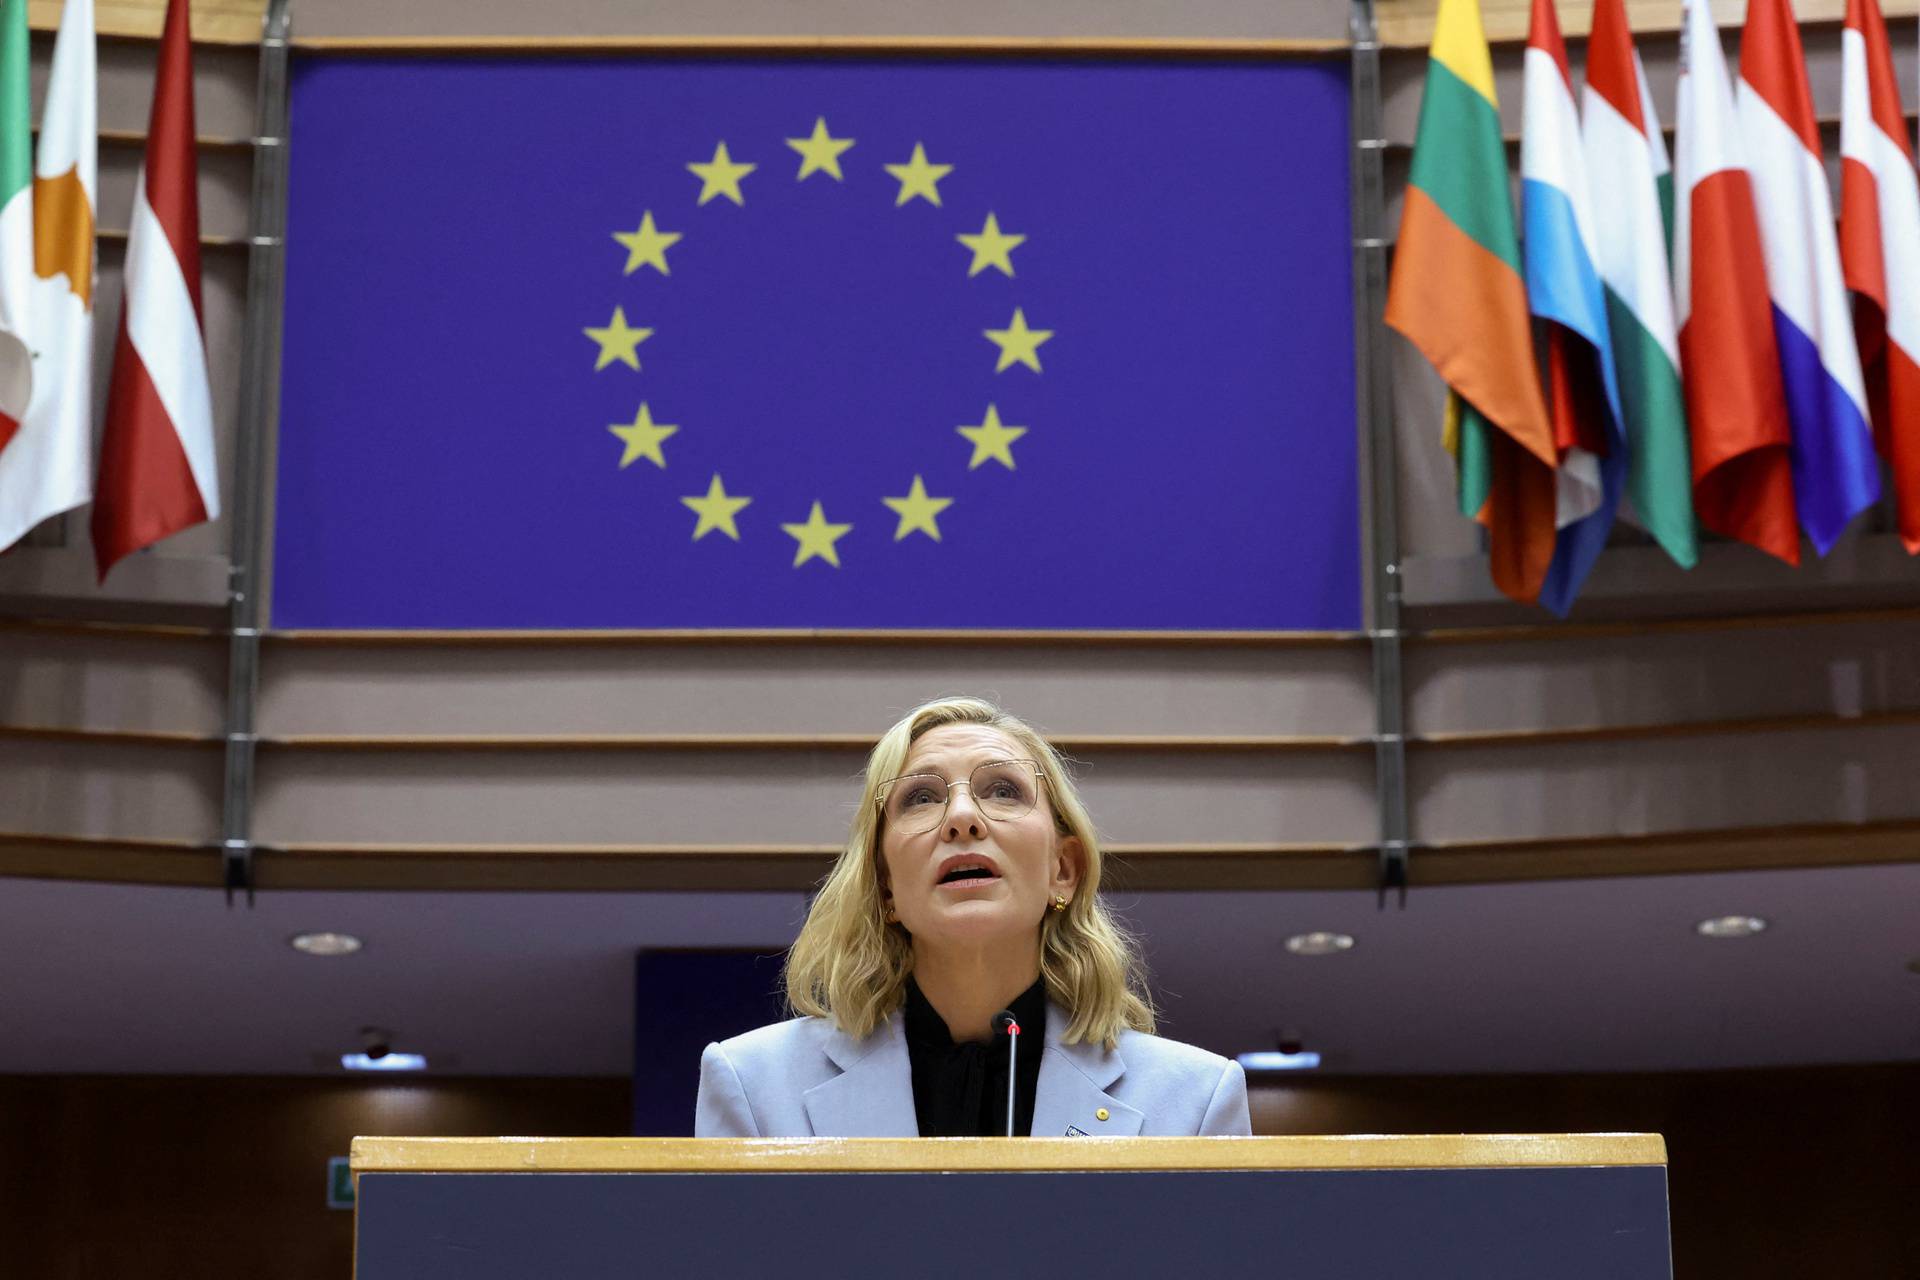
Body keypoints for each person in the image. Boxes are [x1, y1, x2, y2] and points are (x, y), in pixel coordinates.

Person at [696, 696, 1250, 1137]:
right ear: (885, 884)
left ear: (1063, 869)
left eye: (1003, 790)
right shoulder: (754, 1085)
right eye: (920, 798)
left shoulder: (1195, 1099)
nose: (962, 817)